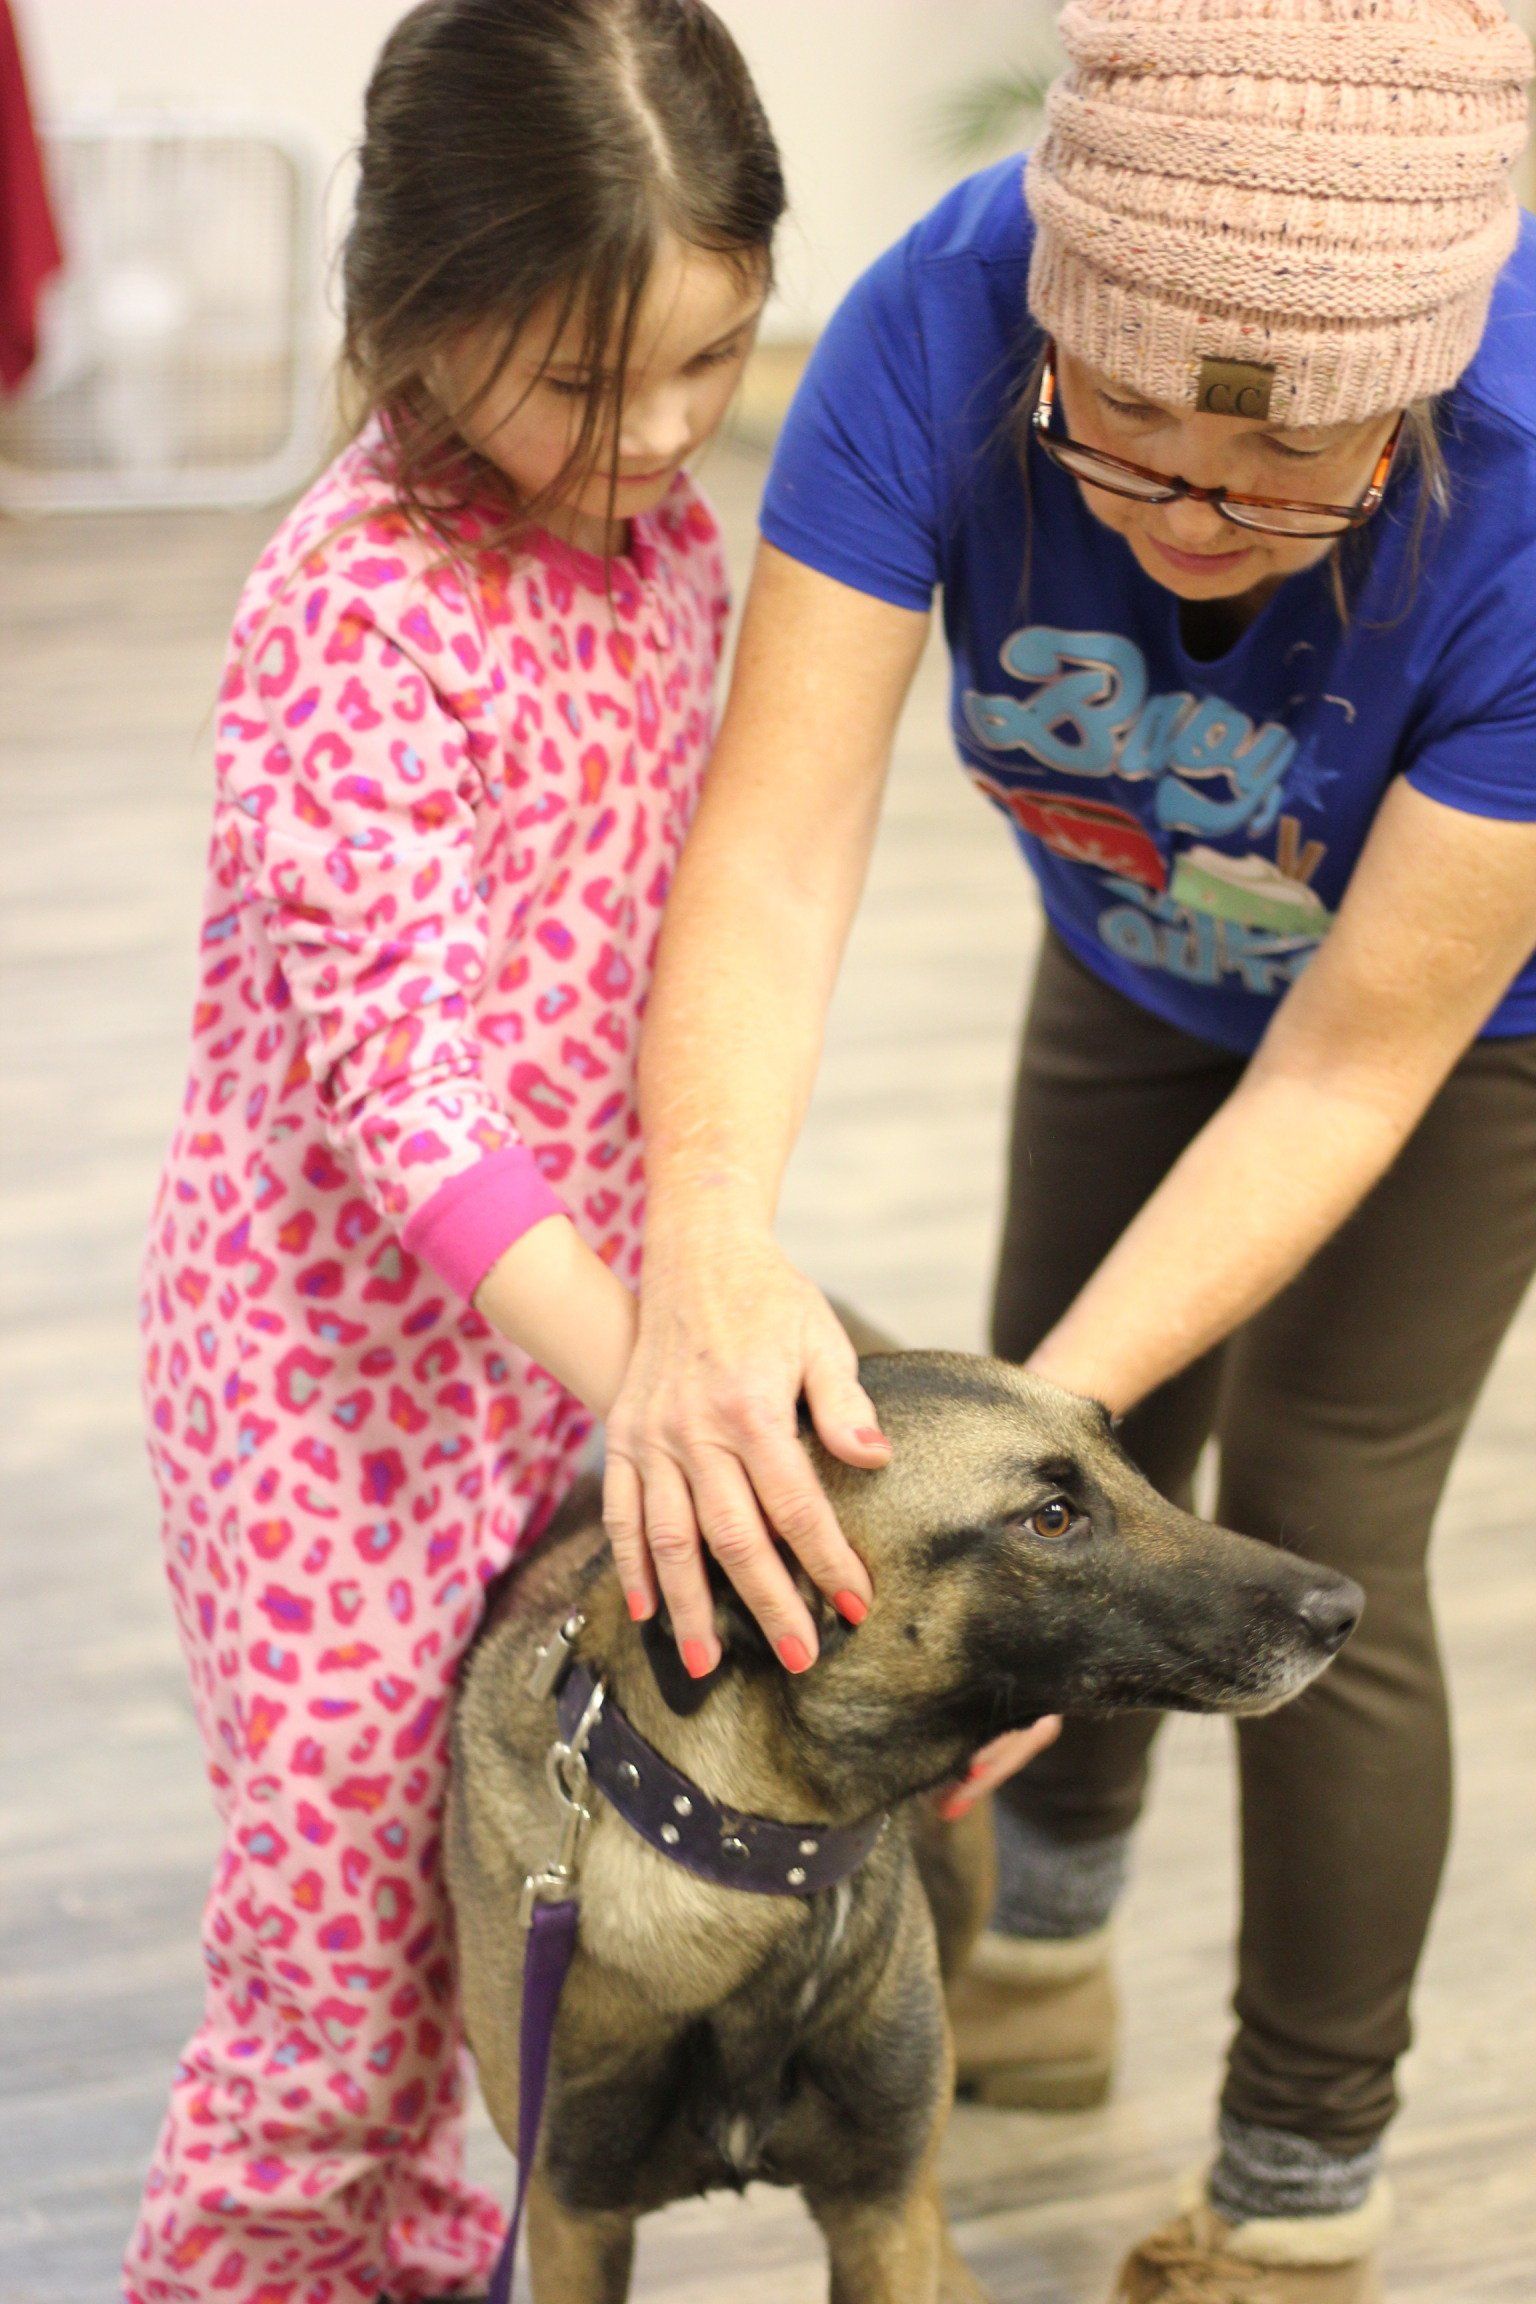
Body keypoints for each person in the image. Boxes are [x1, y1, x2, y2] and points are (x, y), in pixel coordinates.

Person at [603, 2, 1536, 2298]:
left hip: (1465, 1038)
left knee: (1314, 1516)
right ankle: (1040, 1962)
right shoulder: (940, 322)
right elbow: (776, 851)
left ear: (1420, 400)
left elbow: (1345, 1071)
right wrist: (704, 1239)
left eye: (1288, 470)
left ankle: (1301, 2191)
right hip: (1136, 941)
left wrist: (1040, 1453)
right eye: (1118, 432)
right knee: (1066, 1440)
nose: (1190, 527)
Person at [126, 4, 788, 2298]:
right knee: (331, 1986)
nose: (663, 432)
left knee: (501, 1916)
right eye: (585, 384)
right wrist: (661, 1386)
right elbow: (408, 1092)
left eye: (711, 357)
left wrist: (661, 1334)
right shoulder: (355, 613)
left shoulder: (671, 548)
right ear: (415, 317)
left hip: (557, 1360)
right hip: (328, 1392)